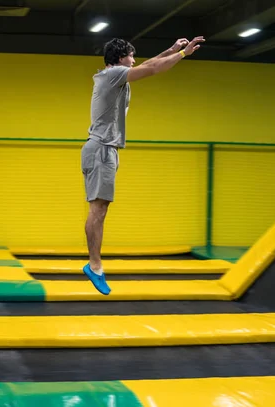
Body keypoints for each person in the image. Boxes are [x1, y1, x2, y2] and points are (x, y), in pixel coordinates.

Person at [81, 35, 205, 295]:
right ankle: (94, 265)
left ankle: (95, 265)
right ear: (119, 59)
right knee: (98, 209)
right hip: (101, 149)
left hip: (106, 150)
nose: (134, 60)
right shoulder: (111, 75)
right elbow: (151, 69)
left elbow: (148, 64)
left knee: (100, 208)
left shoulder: (116, 75)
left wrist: (171, 48)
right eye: (131, 56)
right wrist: (183, 55)